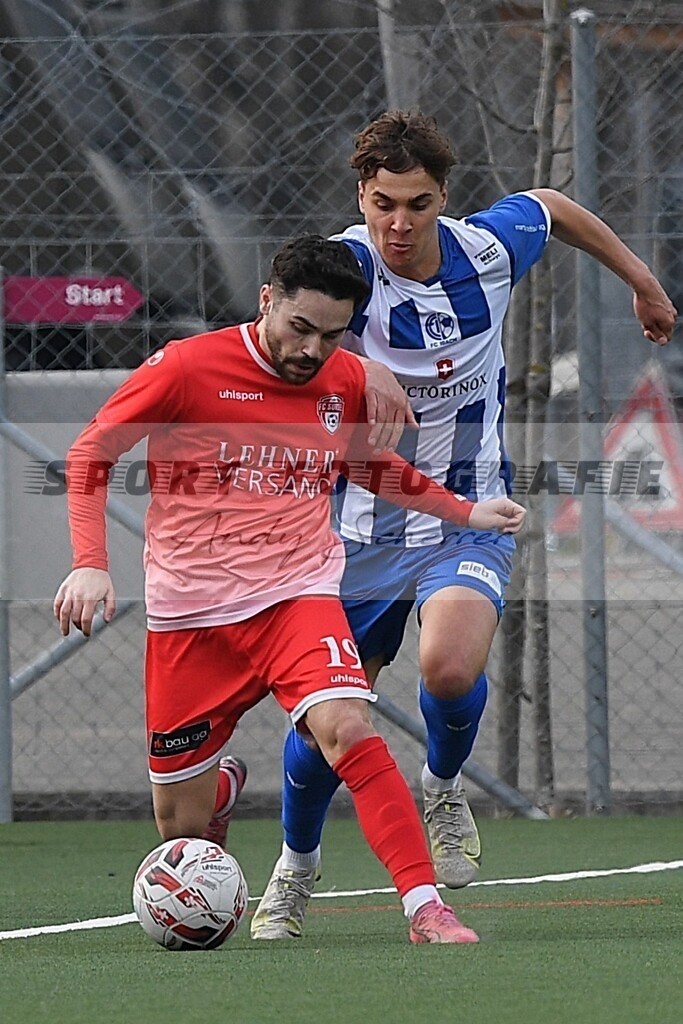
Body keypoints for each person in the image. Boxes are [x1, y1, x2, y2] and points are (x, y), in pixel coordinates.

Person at [251, 111, 678, 940]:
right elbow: (276, 343)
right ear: (361, 198)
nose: (398, 224)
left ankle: (441, 788)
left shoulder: (486, 250)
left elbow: (552, 206)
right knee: (332, 723)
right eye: (381, 204)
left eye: (416, 203)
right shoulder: (341, 272)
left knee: (448, 670)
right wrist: (353, 365)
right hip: (356, 529)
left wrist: (642, 281)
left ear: (443, 198)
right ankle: (294, 869)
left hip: (468, 512)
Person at [53, 234, 526, 945]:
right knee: (178, 828)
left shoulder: (340, 378)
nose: (311, 349)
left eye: (331, 335)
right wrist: (91, 560)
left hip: (295, 597)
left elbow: (370, 466)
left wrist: (462, 512)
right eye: (298, 328)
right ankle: (222, 789)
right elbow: (92, 451)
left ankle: (425, 908)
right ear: (266, 301)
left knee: (348, 729)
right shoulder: (186, 367)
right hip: (190, 617)